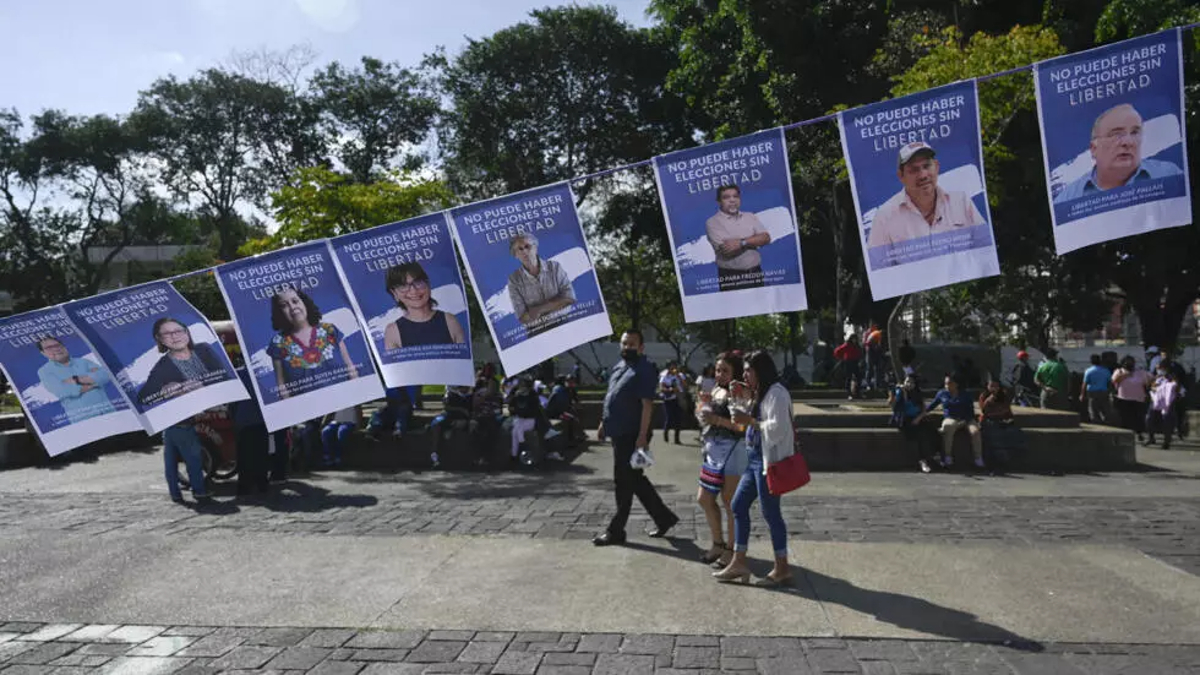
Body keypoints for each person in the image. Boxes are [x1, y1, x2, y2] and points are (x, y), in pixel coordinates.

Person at [712, 351, 794, 587]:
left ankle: (782, 568)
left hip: (769, 463)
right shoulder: (762, 393)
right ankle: (738, 561)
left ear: (761, 371)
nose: (744, 374)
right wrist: (744, 399)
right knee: (738, 505)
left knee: (771, 514)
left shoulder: (777, 393)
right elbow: (754, 416)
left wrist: (749, 421)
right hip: (754, 460)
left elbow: (777, 428)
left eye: (749, 370)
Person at [592, 330, 679, 546]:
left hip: (632, 433)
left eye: (632, 344)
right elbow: (611, 396)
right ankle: (664, 518)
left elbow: (647, 406)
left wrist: (642, 436)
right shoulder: (619, 367)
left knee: (623, 482)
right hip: (617, 431)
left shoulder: (644, 369)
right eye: (624, 343)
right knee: (635, 480)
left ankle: (616, 531)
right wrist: (604, 422)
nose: (627, 347)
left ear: (641, 347)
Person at [1053, 104, 1183, 203]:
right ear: (1094, 149)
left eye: (1135, 132)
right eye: (1116, 134)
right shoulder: (1067, 199)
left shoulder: (1169, 173)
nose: (1128, 142)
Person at [867, 141, 986, 248]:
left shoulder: (961, 202)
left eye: (927, 166)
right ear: (901, 176)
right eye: (914, 170)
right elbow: (880, 268)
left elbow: (985, 248)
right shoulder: (884, 217)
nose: (923, 175)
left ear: (937, 167)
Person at [695, 352, 749, 568]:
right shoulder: (715, 390)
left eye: (725, 370)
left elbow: (742, 426)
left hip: (734, 450)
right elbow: (703, 417)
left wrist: (716, 418)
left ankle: (731, 549)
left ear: (735, 371)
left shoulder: (740, 391)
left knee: (730, 502)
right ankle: (717, 542)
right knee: (704, 498)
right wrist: (702, 407)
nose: (720, 374)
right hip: (713, 450)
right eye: (718, 370)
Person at [268, 287, 358, 400]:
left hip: (346, 402)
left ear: (304, 302)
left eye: (295, 301)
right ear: (279, 312)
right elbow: (282, 387)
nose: (292, 307)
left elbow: (350, 366)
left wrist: (356, 397)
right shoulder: (278, 343)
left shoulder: (329, 330)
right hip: (307, 412)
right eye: (284, 305)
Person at [138, 318, 229, 408]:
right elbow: (142, 398)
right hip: (196, 411)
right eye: (166, 333)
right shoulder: (162, 366)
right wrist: (163, 391)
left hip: (225, 400)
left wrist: (201, 385)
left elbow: (225, 376)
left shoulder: (204, 348)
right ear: (160, 339)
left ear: (186, 332)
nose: (174, 336)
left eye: (178, 331)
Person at [382, 262, 466, 349]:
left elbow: (464, 360)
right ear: (394, 293)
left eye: (418, 282)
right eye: (403, 286)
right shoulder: (392, 331)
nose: (413, 291)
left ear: (428, 284)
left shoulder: (450, 321)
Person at [506, 232, 575, 337]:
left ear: (535, 248)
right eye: (519, 249)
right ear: (515, 255)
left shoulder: (555, 267)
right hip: (537, 333)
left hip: (565, 325)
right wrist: (556, 304)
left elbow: (569, 298)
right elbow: (522, 317)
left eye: (527, 246)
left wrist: (538, 309)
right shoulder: (514, 280)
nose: (524, 251)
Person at [35, 336, 116, 423]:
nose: (56, 349)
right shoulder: (44, 371)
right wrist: (94, 381)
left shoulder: (83, 361)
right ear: (43, 353)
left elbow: (105, 375)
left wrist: (75, 380)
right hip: (83, 419)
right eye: (49, 348)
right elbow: (62, 391)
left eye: (58, 345)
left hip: (109, 412)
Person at [705, 184, 771, 291]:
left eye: (735, 196)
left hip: (756, 274)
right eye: (726, 197)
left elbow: (766, 238)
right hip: (731, 278)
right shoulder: (712, 222)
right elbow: (728, 251)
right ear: (719, 201)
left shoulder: (750, 216)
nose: (732, 200)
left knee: (760, 307)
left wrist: (741, 242)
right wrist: (754, 239)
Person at [915, 374, 983, 470]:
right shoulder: (942, 393)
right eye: (945, 384)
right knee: (948, 428)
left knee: (975, 432)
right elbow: (931, 406)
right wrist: (920, 415)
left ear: (956, 384)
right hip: (951, 418)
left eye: (949, 383)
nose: (947, 386)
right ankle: (947, 457)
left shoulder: (965, 395)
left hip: (966, 418)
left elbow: (970, 411)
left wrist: (965, 421)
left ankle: (978, 459)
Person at [231, 365, 270, 497]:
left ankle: (244, 486)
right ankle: (262, 484)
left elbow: (233, 400)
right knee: (261, 454)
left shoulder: (239, 373)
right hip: (261, 419)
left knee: (245, 456)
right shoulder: (263, 372)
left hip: (244, 420)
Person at [888, 374, 936, 473]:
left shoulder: (918, 394)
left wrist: (918, 418)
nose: (908, 384)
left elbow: (924, 410)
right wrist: (897, 393)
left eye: (911, 382)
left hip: (916, 418)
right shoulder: (899, 392)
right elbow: (895, 407)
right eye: (906, 381)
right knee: (917, 434)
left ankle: (935, 456)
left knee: (930, 430)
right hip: (904, 419)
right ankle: (922, 460)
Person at [162, 415, 213, 506]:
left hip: (168, 431)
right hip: (185, 429)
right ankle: (199, 491)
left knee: (170, 465)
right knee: (194, 463)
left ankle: (175, 494)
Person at [978, 379, 1024, 470]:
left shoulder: (1004, 395)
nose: (993, 388)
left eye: (996, 386)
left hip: (1003, 420)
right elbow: (984, 411)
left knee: (1014, 434)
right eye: (991, 386)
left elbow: (1006, 410)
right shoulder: (984, 396)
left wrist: (1001, 415)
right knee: (991, 433)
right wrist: (989, 400)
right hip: (989, 421)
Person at [1111, 356, 1150, 442]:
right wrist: (1125, 375)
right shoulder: (1119, 371)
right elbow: (1114, 381)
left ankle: (1139, 433)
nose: (1129, 364)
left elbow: (1148, 382)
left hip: (1138, 399)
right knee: (1125, 418)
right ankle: (1125, 435)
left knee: (1138, 418)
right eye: (1127, 362)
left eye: (1131, 362)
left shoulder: (1140, 372)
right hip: (1123, 399)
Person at [1146, 366, 1179, 449]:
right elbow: (1151, 386)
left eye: (1161, 369)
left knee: (1167, 421)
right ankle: (1151, 438)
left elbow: (1176, 389)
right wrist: (1154, 385)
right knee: (1149, 419)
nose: (1159, 371)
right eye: (1158, 369)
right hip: (1155, 401)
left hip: (1167, 403)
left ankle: (1166, 441)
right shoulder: (1158, 378)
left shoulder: (1172, 378)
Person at [1080, 354, 1114, 425]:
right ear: (1100, 361)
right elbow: (1110, 383)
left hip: (1092, 392)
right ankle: (1106, 422)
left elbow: (1084, 384)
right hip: (1104, 392)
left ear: (1091, 361)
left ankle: (1096, 423)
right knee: (1105, 409)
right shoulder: (1106, 371)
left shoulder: (1088, 371)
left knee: (1093, 409)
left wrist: (1082, 395)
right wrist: (1110, 392)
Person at [659, 362, 684, 444]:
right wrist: (671, 389)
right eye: (671, 367)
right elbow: (661, 387)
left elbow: (685, 385)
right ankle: (665, 433)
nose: (674, 368)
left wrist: (679, 377)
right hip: (667, 399)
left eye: (674, 366)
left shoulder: (678, 375)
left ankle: (677, 439)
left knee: (678, 419)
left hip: (677, 399)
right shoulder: (664, 375)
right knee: (669, 418)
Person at [833, 334, 864, 400]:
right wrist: (841, 358)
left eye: (855, 339)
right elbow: (837, 351)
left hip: (855, 362)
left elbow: (860, 353)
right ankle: (849, 394)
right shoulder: (847, 345)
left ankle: (857, 392)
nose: (854, 340)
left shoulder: (857, 346)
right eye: (853, 339)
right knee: (848, 378)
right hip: (848, 362)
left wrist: (860, 359)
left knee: (859, 377)